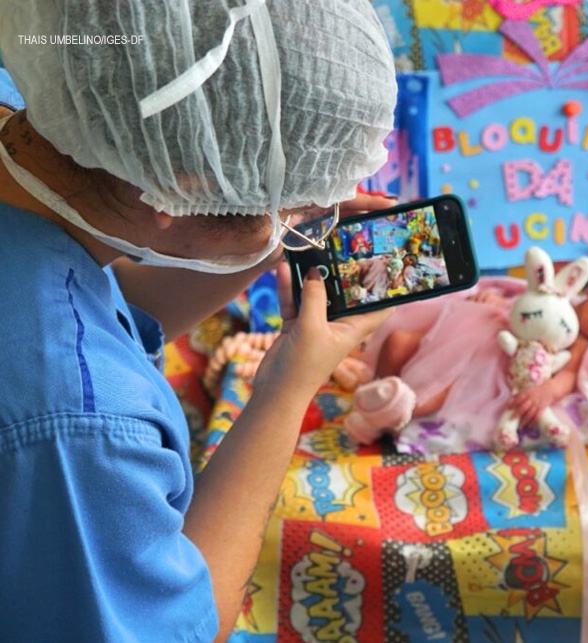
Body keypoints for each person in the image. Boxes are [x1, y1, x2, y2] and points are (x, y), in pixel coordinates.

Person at [0, 2, 397, 641]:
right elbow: (175, 626)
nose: (302, 220)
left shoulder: (42, 118)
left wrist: (266, 230)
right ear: (178, 189)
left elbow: (102, 309)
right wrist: (286, 389)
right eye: (291, 205)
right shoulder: (78, 421)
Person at [344, 268, 588, 453]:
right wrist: (493, 299)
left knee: (429, 398)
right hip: (461, 334)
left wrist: (547, 393)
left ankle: (387, 420)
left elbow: (568, 375)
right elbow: (517, 301)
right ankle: (378, 392)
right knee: (398, 343)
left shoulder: (580, 340)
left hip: (486, 369)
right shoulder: (555, 292)